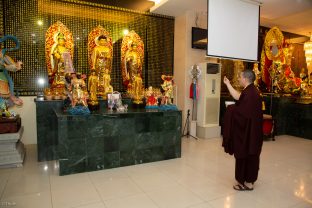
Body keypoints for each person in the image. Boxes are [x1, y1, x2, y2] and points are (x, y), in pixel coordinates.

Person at [222, 69, 263, 191]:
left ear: (245, 78)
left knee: (244, 154)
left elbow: (242, 113)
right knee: (252, 154)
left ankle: (243, 182)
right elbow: (239, 98)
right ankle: (249, 181)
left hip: (246, 133)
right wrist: (228, 84)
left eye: (240, 77)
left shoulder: (250, 93)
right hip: (252, 132)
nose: (239, 79)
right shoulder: (252, 91)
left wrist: (230, 109)